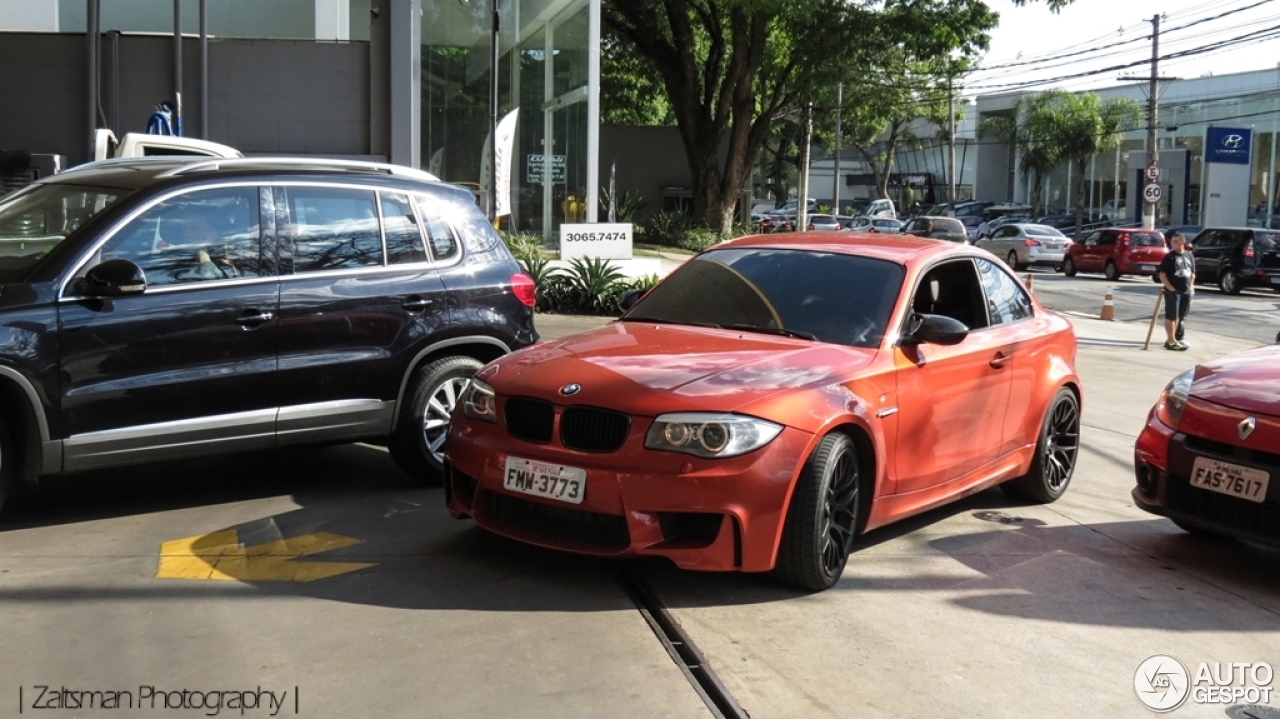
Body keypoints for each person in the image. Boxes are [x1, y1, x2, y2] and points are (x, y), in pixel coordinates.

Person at [1157, 232, 1195, 351]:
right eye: (1171, 241)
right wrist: (1170, 288)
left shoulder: (1189, 255)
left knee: (1180, 316)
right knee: (1171, 316)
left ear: (1182, 242)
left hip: (1186, 290)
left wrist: (1191, 286)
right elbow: (1162, 274)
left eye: (1176, 241)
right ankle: (1170, 340)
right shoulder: (1170, 257)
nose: (1172, 243)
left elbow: (1192, 273)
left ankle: (1176, 338)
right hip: (1174, 291)